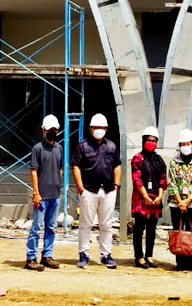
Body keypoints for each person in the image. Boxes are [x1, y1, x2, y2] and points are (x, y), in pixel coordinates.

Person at [72, 112, 122, 269]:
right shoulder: (82, 146)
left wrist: (116, 186)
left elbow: (117, 166)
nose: (99, 130)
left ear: (106, 129)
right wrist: (81, 188)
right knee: (85, 224)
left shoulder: (111, 146)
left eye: (102, 127)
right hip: (89, 190)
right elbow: (75, 166)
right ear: (90, 128)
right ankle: (84, 254)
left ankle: (106, 255)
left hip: (107, 190)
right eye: (96, 127)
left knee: (106, 224)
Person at [25, 114, 64, 270]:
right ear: (43, 130)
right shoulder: (38, 149)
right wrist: (36, 193)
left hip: (55, 195)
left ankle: (47, 255)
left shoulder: (59, 148)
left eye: (54, 129)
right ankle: (30, 257)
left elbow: (60, 168)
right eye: (50, 129)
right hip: (42, 197)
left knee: (51, 227)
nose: (52, 132)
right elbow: (33, 171)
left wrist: (58, 185)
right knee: (37, 227)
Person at [131, 125, 167, 268]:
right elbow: (137, 179)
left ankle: (149, 255)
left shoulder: (159, 160)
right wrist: (145, 196)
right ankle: (139, 257)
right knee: (139, 228)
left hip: (155, 200)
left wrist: (159, 196)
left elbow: (163, 179)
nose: (151, 143)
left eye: (154, 140)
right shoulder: (137, 158)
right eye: (149, 140)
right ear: (143, 141)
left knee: (152, 228)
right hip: (141, 199)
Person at [167, 127, 192, 271]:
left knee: (191, 231)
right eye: (182, 144)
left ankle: (190, 260)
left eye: (187, 143)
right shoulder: (173, 162)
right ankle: (179, 261)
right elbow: (171, 182)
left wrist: (187, 201)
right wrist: (180, 201)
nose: (185, 146)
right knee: (178, 230)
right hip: (176, 203)